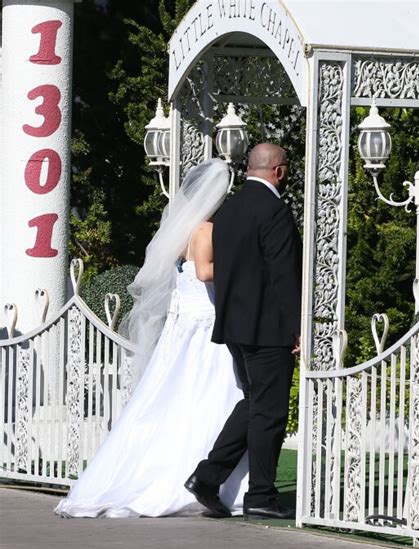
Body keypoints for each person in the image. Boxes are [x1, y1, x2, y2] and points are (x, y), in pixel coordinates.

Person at [55, 159, 248, 518]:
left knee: (171, 396)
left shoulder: (180, 231)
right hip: (204, 324)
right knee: (208, 396)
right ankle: (214, 480)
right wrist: (244, 265)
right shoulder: (205, 230)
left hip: (183, 322)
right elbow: (205, 272)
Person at [185, 143, 302, 520]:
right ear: (279, 171)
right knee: (269, 413)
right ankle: (261, 496)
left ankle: (207, 476)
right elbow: (284, 275)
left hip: (234, 324)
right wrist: (296, 327)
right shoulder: (275, 211)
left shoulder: (229, 210)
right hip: (268, 328)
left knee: (253, 404)